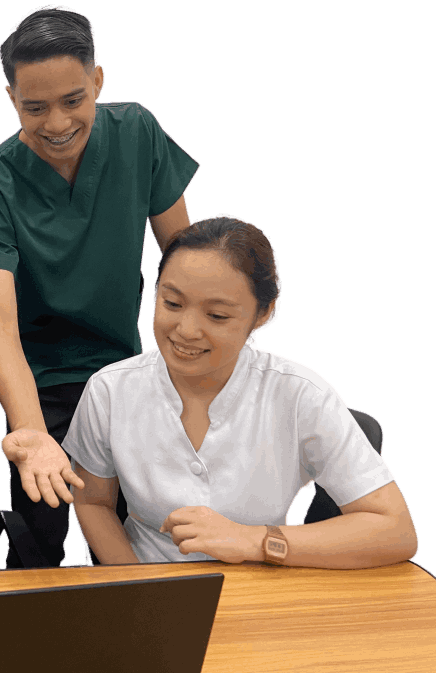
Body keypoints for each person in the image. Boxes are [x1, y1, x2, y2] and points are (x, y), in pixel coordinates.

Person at [0, 6, 198, 567]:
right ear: (11, 99)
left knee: (148, 528)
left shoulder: (137, 131)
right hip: (41, 384)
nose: (57, 123)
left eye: (73, 100)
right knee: (42, 531)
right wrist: (32, 434)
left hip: (129, 371)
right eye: (35, 108)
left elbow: (186, 262)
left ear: (98, 80)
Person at [65, 214, 419, 567]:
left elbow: (397, 532)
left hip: (261, 583)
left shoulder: (300, 394)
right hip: (149, 577)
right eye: (172, 303)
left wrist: (256, 541)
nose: (186, 330)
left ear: (265, 314)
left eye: (217, 315)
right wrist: (137, 583)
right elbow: (93, 501)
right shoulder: (110, 390)